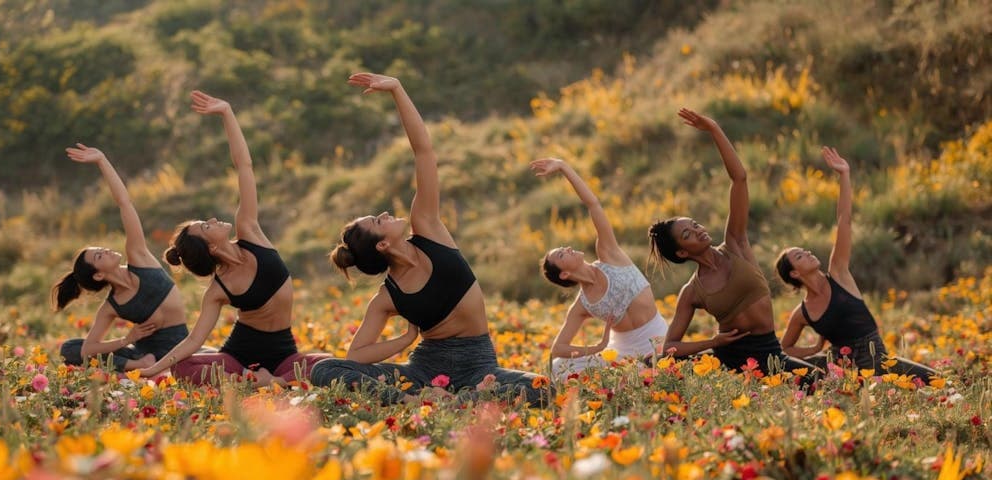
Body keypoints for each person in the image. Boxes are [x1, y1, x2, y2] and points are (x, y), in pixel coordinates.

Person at [310, 72, 547, 404]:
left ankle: (448, 402)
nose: (387, 214)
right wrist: (405, 340)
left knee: (542, 388)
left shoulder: (427, 228)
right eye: (380, 220)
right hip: (421, 372)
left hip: (479, 365)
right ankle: (411, 401)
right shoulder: (386, 297)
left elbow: (424, 152)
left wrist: (397, 89)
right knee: (325, 369)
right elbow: (356, 355)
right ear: (381, 244)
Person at [139, 91, 330, 385]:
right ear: (211, 247)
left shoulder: (250, 231)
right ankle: (258, 380)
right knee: (183, 366)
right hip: (237, 358)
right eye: (206, 226)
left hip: (283, 353)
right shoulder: (217, 290)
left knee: (333, 365)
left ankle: (268, 381)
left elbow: (244, 168)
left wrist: (227, 113)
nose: (213, 219)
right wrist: (155, 369)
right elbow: (193, 340)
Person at [648, 108, 816, 377]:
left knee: (817, 380)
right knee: (654, 366)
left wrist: (714, 129)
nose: (698, 230)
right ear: (681, 252)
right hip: (727, 358)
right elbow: (670, 347)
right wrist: (712, 343)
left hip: (768, 352)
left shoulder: (735, 244)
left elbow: (739, 179)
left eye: (694, 224)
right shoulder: (692, 291)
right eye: (688, 234)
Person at [775, 147, 935, 382]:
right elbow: (785, 349)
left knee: (937, 381)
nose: (807, 253)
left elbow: (844, 221)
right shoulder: (802, 313)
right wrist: (812, 351)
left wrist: (844, 175)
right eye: (799, 256)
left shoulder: (838, 272)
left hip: (878, 362)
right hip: (840, 370)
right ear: (795, 273)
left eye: (804, 250)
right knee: (785, 370)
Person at [54, 144, 189, 372]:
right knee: (71, 348)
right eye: (99, 255)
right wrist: (128, 338)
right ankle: (138, 365)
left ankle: (141, 367)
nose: (106, 250)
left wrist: (102, 161)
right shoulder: (111, 306)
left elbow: (124, 203)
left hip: (181, 349)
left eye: (101, 248)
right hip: (143, 353)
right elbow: (88, 349)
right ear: (98, 274)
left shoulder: (140, 259)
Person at [532, 158, 668, 378]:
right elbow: (559, 348)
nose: (567, 248)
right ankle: (633, 372)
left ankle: (639, 371)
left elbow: (593, 204)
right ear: (564, 274)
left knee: (657, 371)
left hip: (658, 338)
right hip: (623, 352)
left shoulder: (608, 254)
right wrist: (597, 347)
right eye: (561, 254)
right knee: (558, 367)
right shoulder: (582, 305)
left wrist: (564, 167)